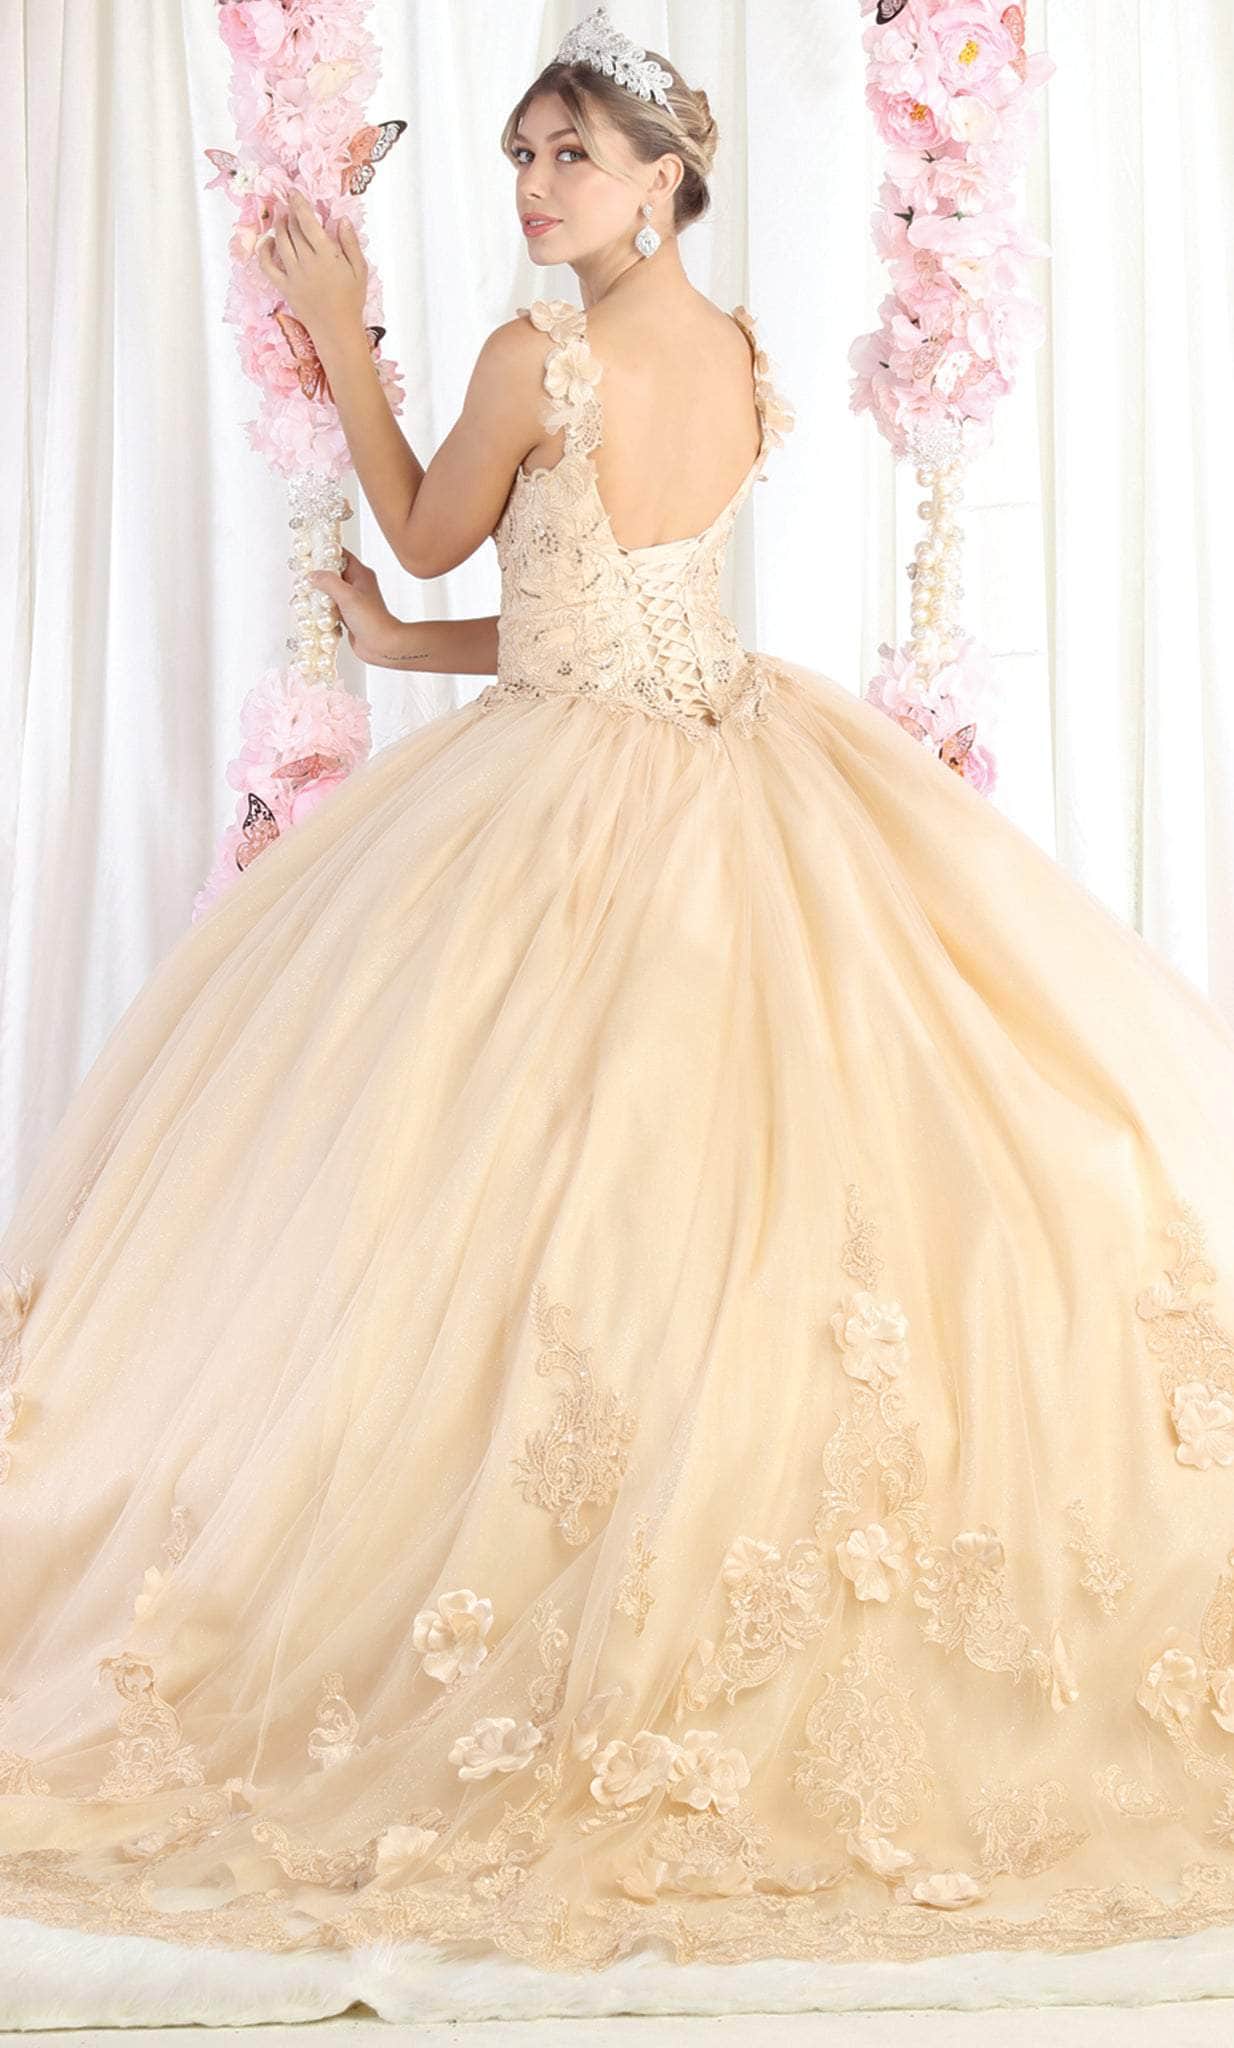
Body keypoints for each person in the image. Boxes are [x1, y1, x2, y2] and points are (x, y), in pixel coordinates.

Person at [4, 0, 1234, 1994]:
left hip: (563, 804)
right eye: (519, 153)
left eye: (571, 153)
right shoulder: (735, 355)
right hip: (728, 764)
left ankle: (518, 1568)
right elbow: (594, 604)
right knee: (707, 1193)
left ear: (667, 179)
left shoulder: (532, 354)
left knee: (509, 1188)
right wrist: (404, 650)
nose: (533, 184)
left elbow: (436, 530)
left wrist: (336, 328)